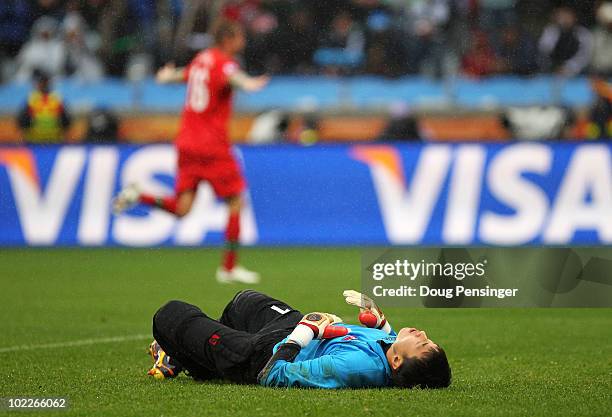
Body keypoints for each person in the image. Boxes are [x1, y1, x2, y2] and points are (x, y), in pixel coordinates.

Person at [112, 20, 269, 284]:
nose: (243, 41)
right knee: (235, 202)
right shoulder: (224, 61)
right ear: (229, 38)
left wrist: (165, 77)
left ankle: (140, 195)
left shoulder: (201, 59)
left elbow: (182, 75)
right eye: (240, 36)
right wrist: (248, 83)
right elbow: (232, 75)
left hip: (186, 143)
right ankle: (229, 268)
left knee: (183, 208)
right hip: (212, 145)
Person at [147, 290, 451, 389]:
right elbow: (385, 346)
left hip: (263, 355)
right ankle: (203, 360)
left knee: (170, 314)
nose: (423, 334)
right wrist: (381, 321)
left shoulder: (355, 366)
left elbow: (273, 375)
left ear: (397, 361)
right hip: (289, 327)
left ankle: (186, 358)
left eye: (423, 344)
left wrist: (306, 331)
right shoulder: (389, 350)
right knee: (245, 301)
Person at [16, 69, 71, 143]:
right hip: (34, 142)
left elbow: (67, 121)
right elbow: (21, 121)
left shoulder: (57, 99)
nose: (44, 84)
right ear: (38, 83)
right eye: (42, 82)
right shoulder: (31, 99)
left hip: (54, 141)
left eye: (46, 82)